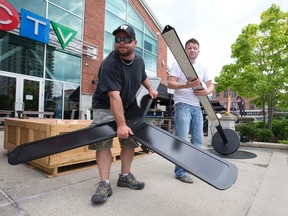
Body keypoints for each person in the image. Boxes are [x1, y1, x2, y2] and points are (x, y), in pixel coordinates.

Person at [89, 24, 158, 204]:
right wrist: (120, 124)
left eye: (126, 39)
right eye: (118, 39)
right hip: (104, 106)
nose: (121, 43)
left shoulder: (140, 61)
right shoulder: (110, 64)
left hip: (126, 106)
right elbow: (113, 96)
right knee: (103, 142)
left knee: (129, 140)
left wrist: (150, 88)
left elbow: (142, 76)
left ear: (135, 42)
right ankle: (104, 183)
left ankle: (124, 176)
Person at [167, 38, 214, 183]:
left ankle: (192, 167)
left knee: (198, 140)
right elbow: (169, 83)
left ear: (198, 51)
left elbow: (211, 85)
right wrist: (185, 86)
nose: (192, 50)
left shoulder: (202, 67)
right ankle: (180, 171)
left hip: (197, 107)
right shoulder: (178, 65)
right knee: (182, 139)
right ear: (185, 50)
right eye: (189, 48)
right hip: (182, 105)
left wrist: (207, 92)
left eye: (195, 48)